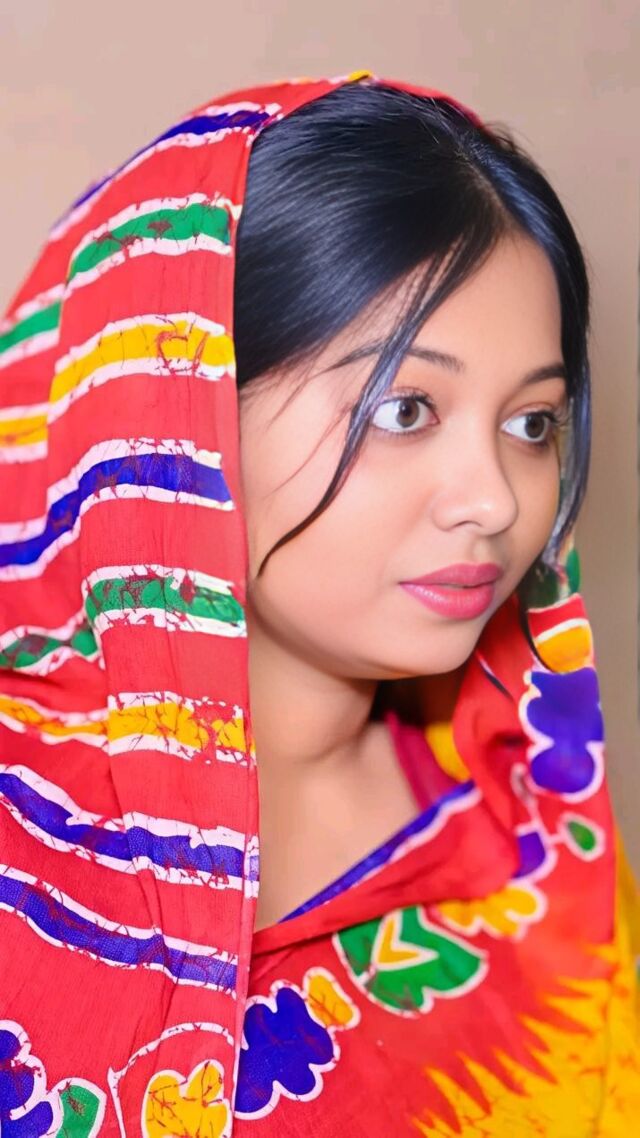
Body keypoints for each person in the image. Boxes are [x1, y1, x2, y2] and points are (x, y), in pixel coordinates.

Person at [0, 68, 638, 1137]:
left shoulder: (528, 833)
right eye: (405, 409)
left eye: (532, 423)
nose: (492, 499)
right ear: (178, 411)